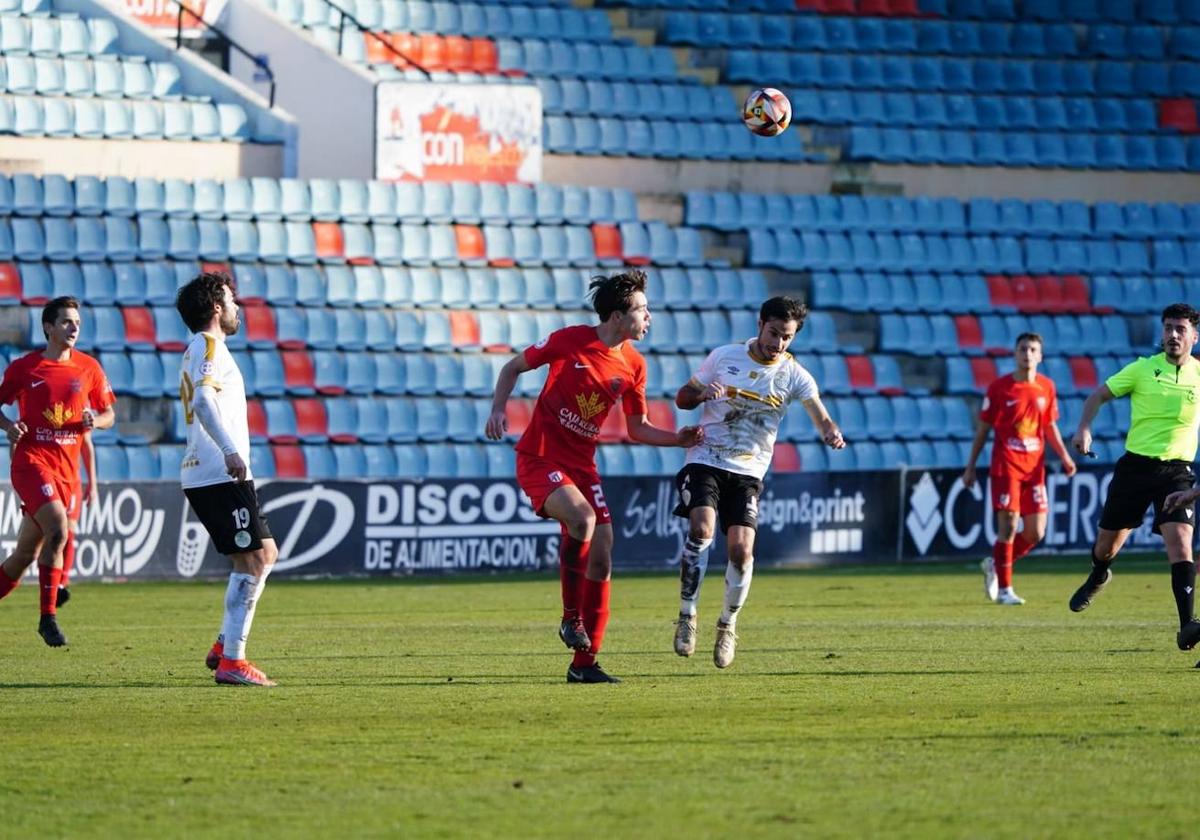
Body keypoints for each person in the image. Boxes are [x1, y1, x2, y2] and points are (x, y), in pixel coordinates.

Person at [485, 270, 702, 684]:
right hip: (539, 456)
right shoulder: (569, 340)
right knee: (582, 520)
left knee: (603, 554)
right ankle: (570, 619)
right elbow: (512, 368)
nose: (649, 317)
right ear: (618, 315)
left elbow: (637, 428)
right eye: (642, 310)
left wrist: (679, 439)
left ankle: (584, 666)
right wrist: (498, 409)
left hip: (583, 465)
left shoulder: (635, 365)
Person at [669, 297, 844, 668]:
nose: (778, 343)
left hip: (749, 471)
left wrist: (831, 434)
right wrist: (703, 393)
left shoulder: (795, 375)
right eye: (774, 333)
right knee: (702, 528)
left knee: (741, 550)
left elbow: (822, 417)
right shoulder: (724, 357)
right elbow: (683, 398)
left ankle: (728, 625)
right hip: (706, 458)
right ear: (760, 323)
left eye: (787, 337)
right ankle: (687, 616)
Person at [1068, 303, 1200, 654]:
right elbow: (1099, 395)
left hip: (1177, 472)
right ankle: (1099, 574)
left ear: (1194, 337)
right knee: (1106, 546)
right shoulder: (1143, 369)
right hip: (1135, 468)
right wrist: (1084, 428)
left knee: (1181, 543)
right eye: (1168, 328)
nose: (1173, 335)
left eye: (1180, 329)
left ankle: (1187, 624)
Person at [176, 271, 280, 687]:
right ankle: (233, 661)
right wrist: (230, 451)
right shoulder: (208, 345)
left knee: (264, 553)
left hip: (218, 472)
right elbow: (202, 400)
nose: (238, 306)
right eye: (231, 299)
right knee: (253, 559)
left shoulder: (202, 348)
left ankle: (225, 645)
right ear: (217, 307)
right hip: (218, 470)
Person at [0, 296, 115, 646]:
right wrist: (8, 426)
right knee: (59, 529)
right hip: (31, 463)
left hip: (67, 472)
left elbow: (110, 414)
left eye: (77, 322)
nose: (74, 327)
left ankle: (44, 603)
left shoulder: (89, 368)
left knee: (24, 556)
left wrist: (98, 419)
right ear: (48, 327)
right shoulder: (25, 368)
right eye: (66, 321)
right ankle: (47, 619)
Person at [962, 333, 1076, 605]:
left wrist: (1064, 456)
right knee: (1009, 525)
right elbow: (983, 430)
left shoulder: (1047, 387)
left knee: (1036, 532)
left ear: (1040, 356)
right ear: (1015, 354)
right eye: (1022, 348)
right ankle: (1004, 590)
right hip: (1006, 466)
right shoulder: (1000, 388)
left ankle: (995, 563)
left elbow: (1049, 425)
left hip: (1034, 469)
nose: (1027, 353)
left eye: (1032, 349)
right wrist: (970, 467)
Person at [56, 429, 96, 607]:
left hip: (71, 479)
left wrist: (92, 484)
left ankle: (62, 584)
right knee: (43, 538)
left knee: (68, 533)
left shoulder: (78, 404)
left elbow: (86, 443)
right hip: (46, 475)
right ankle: (51, 584)